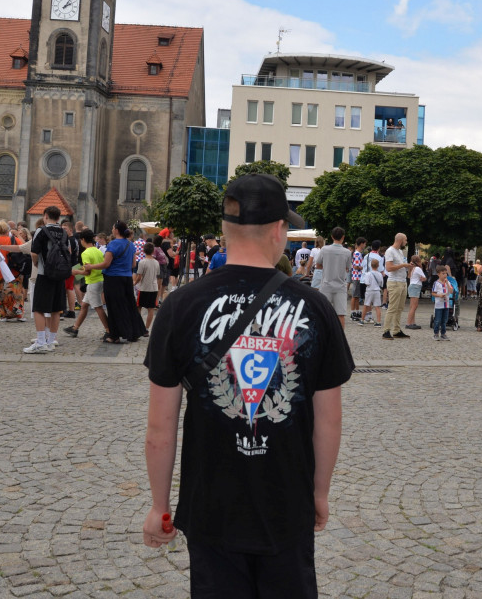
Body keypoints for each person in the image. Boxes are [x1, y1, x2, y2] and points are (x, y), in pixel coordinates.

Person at [141, 173, 354, 597]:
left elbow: (160, 427)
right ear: (279, 231)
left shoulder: (180, 305)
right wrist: (320, 493)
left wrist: (159, 506)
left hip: (211, 505)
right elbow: (328, 421)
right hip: (287, 502)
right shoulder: (314, 307)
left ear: (224, 228)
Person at [85, 221, 147, 344]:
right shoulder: (131, 245)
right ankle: (133, 332)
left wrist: (91, 267)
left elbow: (106, 263)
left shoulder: (113, 244)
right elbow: (133, 264)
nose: (112, 229)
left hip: (113, 278)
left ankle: (114, 335)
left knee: (114, 307)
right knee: (129, 305)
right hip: (127, 278)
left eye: (113, 228)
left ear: (117, 231)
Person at [27, 206, 71, 353]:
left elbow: (34, 252)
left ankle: (40, 342)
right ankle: (51, 341)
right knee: (55, 309)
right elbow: (69, 252)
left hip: (44, 273)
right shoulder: (64, 232)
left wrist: (36, 263)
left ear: (45, 216)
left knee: (39, 308)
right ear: (59, 218)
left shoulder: (41, 231)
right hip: (59, 275)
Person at [64, 229, 110, 339]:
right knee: (84, 305)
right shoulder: (98, 250)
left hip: (93, 282)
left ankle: (109, 330)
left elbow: (87, 271)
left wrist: (76, 271)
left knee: (98, 307)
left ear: (83, 240)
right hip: (100, 279)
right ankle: (75, 328)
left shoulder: (85, 253)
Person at [0, 220, 26, 322]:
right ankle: (18, 314)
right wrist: (18, 235)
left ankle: (3, 314)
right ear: (8, 230)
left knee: (0, 293)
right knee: (16, 292)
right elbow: (25, 247)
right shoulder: (13, 240)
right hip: (12, 270)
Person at [317, 227, 352, 328]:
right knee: (340, 314)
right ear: (343, 237)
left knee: (323, 313)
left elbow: (318, 265)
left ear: (332, 236)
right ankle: (340, 341)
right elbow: (347, 268)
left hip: (326, 285)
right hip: (340, 286)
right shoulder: (347, 252)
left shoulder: (324, 249)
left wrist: (327, 266)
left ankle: (323, 338)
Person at [382, 232, 410, 340]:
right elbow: (389, 268)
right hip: (395, 282)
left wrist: (406, 266)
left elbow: (400, 265)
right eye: (405, 240)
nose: (406, 242)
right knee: (392, 307)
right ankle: (386, 330)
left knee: (400, 308)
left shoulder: (400, 251)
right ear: (400, 240)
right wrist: (403, 265)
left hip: (402, 282)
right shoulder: (390, 251)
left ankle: (396, 330)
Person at [135, 242, 161, 328]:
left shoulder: (142, 262)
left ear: (143, 251)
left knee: (139, 306)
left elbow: (139, 276)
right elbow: (157, 275)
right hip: (154, 287)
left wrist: (134, 283)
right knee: (151, 309)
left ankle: (139, 326)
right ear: (153, 251)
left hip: (144, 288)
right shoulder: (156, 262)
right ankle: (146, 328)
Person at [404, 254, 427, 329]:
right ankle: (408, 323)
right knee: (414, 306)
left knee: (412, 306)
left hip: (412, 286)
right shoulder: (418, 269)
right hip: (416, 286)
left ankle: (412, 322)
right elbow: (424, 278)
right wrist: (423, 279)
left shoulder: (412, 268)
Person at [360, 258, 384, 327]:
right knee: (377, 307)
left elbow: (367, 283)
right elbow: (381, 284)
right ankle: (378, 322)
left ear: (371, 265)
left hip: (369, 291)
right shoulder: (380, 274)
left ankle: (362, 320)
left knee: (366, 305)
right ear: (378, 266)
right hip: (377, 291)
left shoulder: (368, 274)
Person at [348, 237, 368, 322]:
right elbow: (356, 266)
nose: (365, 245)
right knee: (354, 295)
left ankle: (357, 311)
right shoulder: (357, 254)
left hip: (358, 277)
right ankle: (352, 313)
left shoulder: (358, 253)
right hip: (357, 276)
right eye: (365, 244)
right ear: (362, 244)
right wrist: (363, 268)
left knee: (357, 296)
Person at [431, 265, 452, 341]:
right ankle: (436, 333)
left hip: (446, 304)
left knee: (444, 320)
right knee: (438, 320)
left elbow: (451, 291)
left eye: (446, 273)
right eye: (443, 273)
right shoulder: (436, 283)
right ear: (438, 274)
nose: (445, 275)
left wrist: (447, 284)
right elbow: (433, 293)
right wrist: (439, 295)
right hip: (439, 305)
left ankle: (443, 333)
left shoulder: (448, 282)